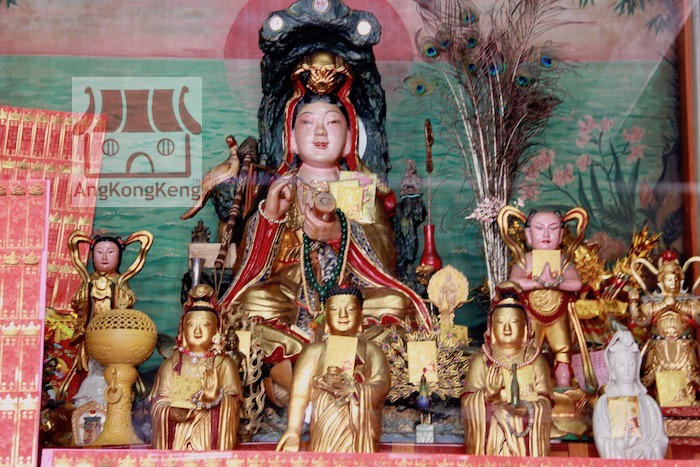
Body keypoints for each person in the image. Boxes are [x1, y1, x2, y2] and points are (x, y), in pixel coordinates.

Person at [220, 52, 430, 402]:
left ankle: (296, 378)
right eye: (307, 123)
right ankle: (327, 374)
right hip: (291, 296)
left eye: (332, 123)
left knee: (396, 304)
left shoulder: (359, 188)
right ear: (291, 138)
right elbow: (250, 268)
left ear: (349, 139)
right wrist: (268, 220)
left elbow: (386, 262)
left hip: (353, 299)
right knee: (249, 304)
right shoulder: (281, 189)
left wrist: (338, 235)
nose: (319, 132)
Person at [276, 285, 390, 453]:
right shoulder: (313, 351)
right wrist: (293, 430)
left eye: (350, 309)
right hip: (324, 427)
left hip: (359, 427)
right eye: (335, 309)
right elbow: (299, 395)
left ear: (361, 314)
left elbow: (382, 385)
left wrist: (354, 389)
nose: (343, 315)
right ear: (326, 314)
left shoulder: (372, 350)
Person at [500, 207, 595, 389]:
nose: (546, 234)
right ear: (528, 235)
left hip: (558, 314)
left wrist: (555, 283)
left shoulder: (563, 260)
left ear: (561, 235)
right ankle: (529, 386)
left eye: (552, 229)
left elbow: (576, 284)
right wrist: (538, 283)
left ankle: (563, 385)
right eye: (539, 228)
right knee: (529, 349)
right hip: (531, 313)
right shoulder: (525, 260)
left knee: (562, 350)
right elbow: (514, 281)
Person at [461, 282, 553, 457]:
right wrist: (487, 395)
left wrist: (527, 409)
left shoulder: (535, 360)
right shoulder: (481, 361)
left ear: (525, 329)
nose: (507, 329)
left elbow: (546, 402)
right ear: (491, 329)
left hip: (525, 437)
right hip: (491, 442)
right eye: (500, 323)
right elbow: (467, 402)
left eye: (514, 322)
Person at [58, 230, 153, 400]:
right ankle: (87, 399)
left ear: (119, 256)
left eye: (110, 252)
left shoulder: (120, 281)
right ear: (92, 256)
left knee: (114, 369)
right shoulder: (89, 280)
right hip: (91, 334)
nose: (104, 257)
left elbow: (127, 304)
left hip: (113, 336)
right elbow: (77, 304)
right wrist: (84, 295)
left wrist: (121, 296)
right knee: (90, 368)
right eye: (99, 252)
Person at [150, 284, 241, 450]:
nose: (197, 332)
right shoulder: (171, 364)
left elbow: (235, 403)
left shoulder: (224, 364)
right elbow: (158, 403)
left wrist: (217, 398)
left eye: (205, 325)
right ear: (182, 330)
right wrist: (170, 412)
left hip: (209, 439)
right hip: (178, 440)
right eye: (191, 325)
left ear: (217, 330)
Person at [628, 250, 700, 403]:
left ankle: (690, 400)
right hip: (660, 347)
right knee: (652, 378)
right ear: (661, 281)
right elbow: (642, 320)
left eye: (676, 279)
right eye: (669, 279)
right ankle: (655, 400)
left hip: (684, 346)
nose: (673, 283)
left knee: (690, 375)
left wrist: (677, 306)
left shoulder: (690, 300)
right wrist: (635, 303)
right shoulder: (652, 301)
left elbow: (697, 316)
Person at [593, 329, 668, 459]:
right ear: (612, 370)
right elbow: (603, 441)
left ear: (637, 367)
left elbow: (661, 441)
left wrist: (643, 451)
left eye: (631, 363)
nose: (627, 369)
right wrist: (622, 445)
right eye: (621, 364)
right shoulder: (603, 404)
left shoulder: (648, 403)